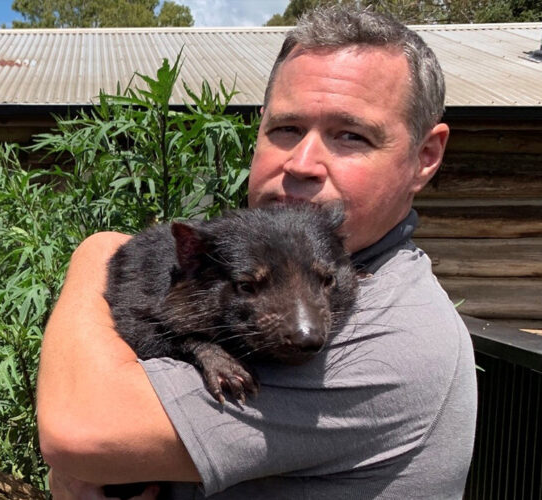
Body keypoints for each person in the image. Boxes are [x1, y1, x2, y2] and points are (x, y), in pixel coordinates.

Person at [36, 5, 477, 499]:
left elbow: (81, 429)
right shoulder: (256, 248)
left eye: (350, 135)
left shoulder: (392, 336)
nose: (303, 163)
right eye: (286, 129)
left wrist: (93, 254)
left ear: (426, 156)